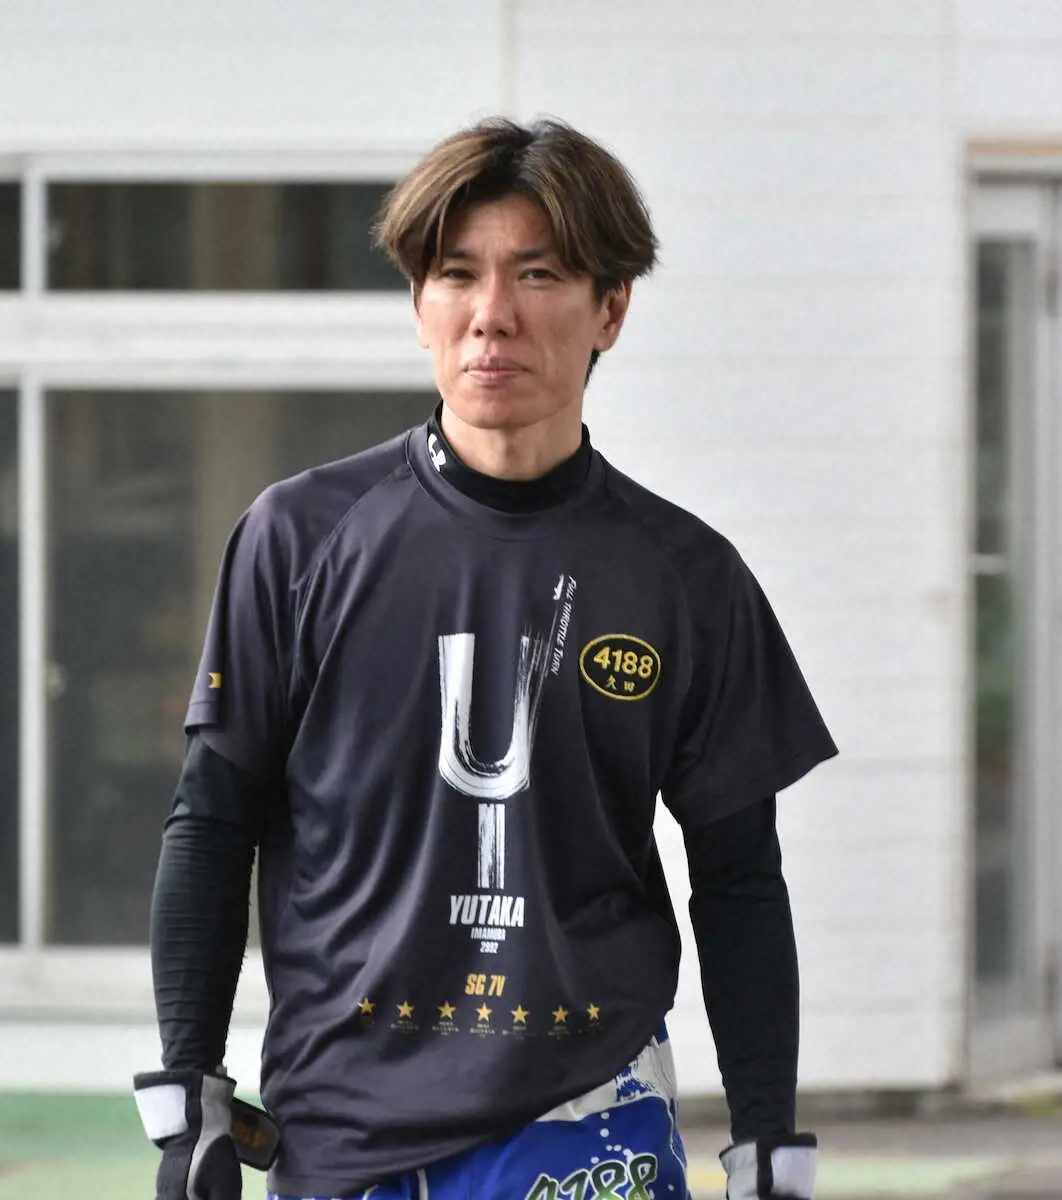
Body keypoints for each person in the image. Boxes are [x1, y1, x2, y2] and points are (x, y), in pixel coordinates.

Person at [134, 117, 837, 1200]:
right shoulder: (300, 539)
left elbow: (738, 875)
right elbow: (212, 821)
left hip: (590, 1119)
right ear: (420, 303)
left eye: (538, 274)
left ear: (612, 309)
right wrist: (190, 1083)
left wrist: (766, 1134)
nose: (491, 314)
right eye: (456, 274)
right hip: (346, 1134)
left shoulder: (686, 578)